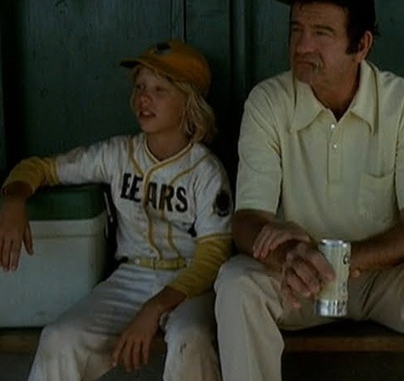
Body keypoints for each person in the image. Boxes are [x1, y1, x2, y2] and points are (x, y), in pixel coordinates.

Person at [214, 0, 404, 381]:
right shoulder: (268, 101)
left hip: (378, 278)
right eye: (296, 30)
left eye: (322, 33)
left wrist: (343, 259)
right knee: (234, 282)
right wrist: (290, 256)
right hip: (296, 278)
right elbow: (247, 220)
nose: (302, 45)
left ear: (362, 45)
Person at [0, 40, 233, 380]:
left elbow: (213, 256)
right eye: (139, 86)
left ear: (189, 102)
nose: (144, 98)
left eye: (159, 89)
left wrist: (155, 307)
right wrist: (14, 198)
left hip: (192, 282)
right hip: (132, 276)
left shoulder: (206, 171)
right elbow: (43, 168)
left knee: (189, 337)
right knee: (59, 337)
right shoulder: (118, 154)